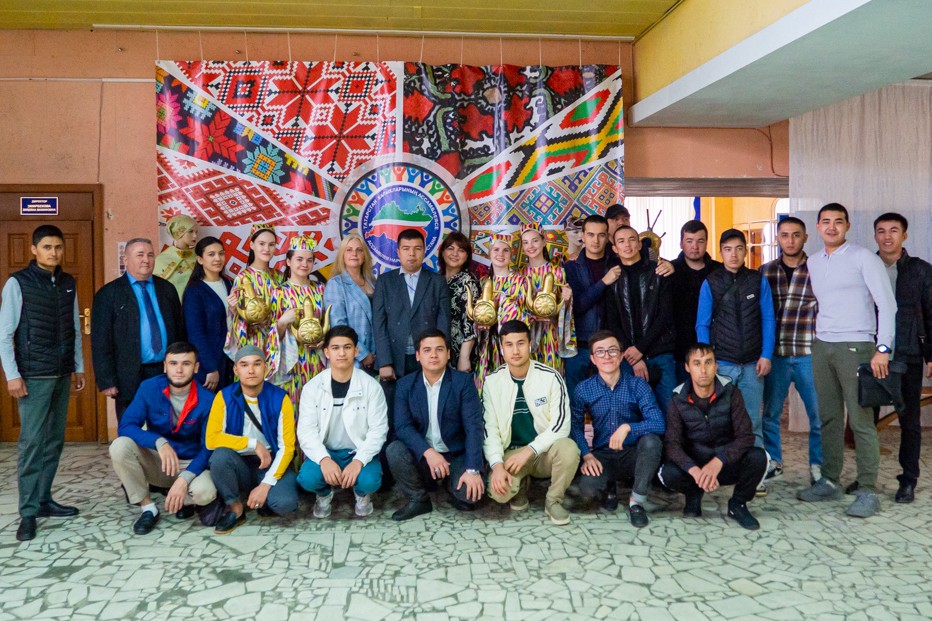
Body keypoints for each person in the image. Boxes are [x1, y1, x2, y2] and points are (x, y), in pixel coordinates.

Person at [797, 203, 897, 518]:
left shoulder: (863, 257)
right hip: (822, 345)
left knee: (860, 421)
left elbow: (887, 305)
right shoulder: (814, 262)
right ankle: (829, 480)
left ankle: (867, 490)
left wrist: (883, 348)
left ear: (847, 226)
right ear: (818, 227)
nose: (832, 227)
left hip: (857, 345)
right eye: (825, 221)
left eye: (838, 221)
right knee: (828, 417)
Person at [0, 225, 84, 542]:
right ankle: (28, 512)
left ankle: (44, 499)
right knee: (32, 444)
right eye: (47, 247)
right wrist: (12, 374)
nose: (53, 252)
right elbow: (5, 333)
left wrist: (78, 367)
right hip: (33, 376)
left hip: (61, 373)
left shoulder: (67, 282)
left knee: (54, 442)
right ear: (34, 249)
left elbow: (74, 327)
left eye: (58, 247)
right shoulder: (18, 282)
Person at [109, 342, 217, 535]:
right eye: (173, 363)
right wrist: (159, 442)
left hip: (190, 464)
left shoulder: (208, 399)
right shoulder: (149, 388)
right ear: (165, 366)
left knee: (205, 493)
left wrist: (184, 479)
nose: (179, 370)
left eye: (186, 363)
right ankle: (148, 508)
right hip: (159, 461)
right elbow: (126, 426)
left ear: (196, 367)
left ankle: (184, 499)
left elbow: (208, 447)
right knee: (119, 446)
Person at [659, 344, 769, 530]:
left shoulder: (731, 393)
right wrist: (695, 471)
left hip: (725, 464)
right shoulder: (678, 399)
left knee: (759, 457)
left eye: (708, 362)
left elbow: (745, 436)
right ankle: (693, 493)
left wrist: (718, 461)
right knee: (668, 472)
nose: (703, 370)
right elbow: (672, 444)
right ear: (687, 367)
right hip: (695, 466)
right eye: (697, 363)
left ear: (716, 366)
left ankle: (738, 504)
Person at [483, 320, 580, 525]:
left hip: (544, 452)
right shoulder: (492, 382)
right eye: (509, 344)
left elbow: (561, 425)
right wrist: (497, 465)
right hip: (511, 454)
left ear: (530, 344)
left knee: (569, 449)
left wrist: (529, 450)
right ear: (502, 348)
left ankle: (553, 500)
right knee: (498, 493)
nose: (515, 350)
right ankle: (521, 485)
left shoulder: (551, 377)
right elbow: (489, 429)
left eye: (520, 343)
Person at [387, 329, 485, 520]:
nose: (433, 355)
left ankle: (450, 483)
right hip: (424, 455)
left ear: (448, 354)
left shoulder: (463, 382)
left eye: (439, 349)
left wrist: (473, 470)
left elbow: (474, 427)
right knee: (394, 450)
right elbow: (403, 426)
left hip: (455, 453)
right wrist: (429, 452)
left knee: (470, 496)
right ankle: (419, 499)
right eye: (427, 350)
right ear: (417, 355)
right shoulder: (405, 385)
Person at [570, 331, 664, 528]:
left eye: (612, 351)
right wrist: (587, 455)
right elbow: (575, 426)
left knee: (652, 442)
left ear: (621, 356)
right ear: (593, 359)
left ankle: (636, 502)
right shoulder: (583, 389)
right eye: (600, 352)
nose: (607, 356)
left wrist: (628, 427)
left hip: (632, 453)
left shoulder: (637, 385)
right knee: (588, 490)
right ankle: (609, 487)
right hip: (602, 455)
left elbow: (658, 423)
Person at [296, 326, 388, 518]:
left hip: (357, 450)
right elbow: (306, 432)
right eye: (335, 348)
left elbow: (378, 431)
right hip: (327, 451)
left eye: (347, 347)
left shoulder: (371, 386)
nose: (342, 353)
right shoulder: (312, 387)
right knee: (307, 478)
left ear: (356, 351)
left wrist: (358, 461)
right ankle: (323, 494)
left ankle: (362, 494)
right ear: (326, 352)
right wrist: (324, 459)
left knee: (370, 481)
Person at [205, 345, 298, 534]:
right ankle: (236, 507)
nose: (251, 370)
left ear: (266, 367)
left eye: (257, 364)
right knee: (219, 456)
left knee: (285, 504)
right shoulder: (224, 397)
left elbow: (287, 448)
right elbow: (211, 439)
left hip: (269, 462)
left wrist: (265, 485)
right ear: (235, 370)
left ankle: (263, 497)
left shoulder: (280, 398)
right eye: (244, 365)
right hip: (237, 462)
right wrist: (252, 444)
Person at [696, 228, 775, 449]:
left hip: (753, 364)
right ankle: (723, 464)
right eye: (728, 249)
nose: (733, 254)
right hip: (722, 363)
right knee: (721, 419)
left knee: (751, 420)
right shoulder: (711, 282)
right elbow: (702, 324)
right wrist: (708, 361)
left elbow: (768, 319)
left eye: (739, 249)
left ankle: (755, 464)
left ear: (745, 251)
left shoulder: (758, 281)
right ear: (721, 252)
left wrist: (766, 355)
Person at [873, 212, 932, 503]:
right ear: (875, 236)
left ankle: (908, 480)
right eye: (881, 231)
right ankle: (866, 478)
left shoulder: (921, 270)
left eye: (893, 230)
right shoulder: (866, 265)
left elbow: (930, 312)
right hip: (871, 354)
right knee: (865, 420)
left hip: (908, 353)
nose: (887, 236)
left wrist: (930, 354)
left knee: (909, 421)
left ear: (904, 235)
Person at [92, 238, 184, 420]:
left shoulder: (167, 289)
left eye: (150, 255)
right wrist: (106, 380)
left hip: (165, 372)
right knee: (132, 428)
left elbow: (180, 331)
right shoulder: (109, 293)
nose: (146, 260)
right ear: (125, 260)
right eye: (140, 255)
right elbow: (101, 341)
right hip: (129, 375)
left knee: (167, 425)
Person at [760, 218, 822, 487]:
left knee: (818, 415)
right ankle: (773, 462)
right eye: (785, 235)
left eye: (796, 235)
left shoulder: (818, 268)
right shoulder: (765, 272)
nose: (790, 240)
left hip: (810, 352)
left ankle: (818, 465)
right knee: (770, 414)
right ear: (778, 238)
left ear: (805, 237)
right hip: (776, 354)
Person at [372, 228, 451, 405]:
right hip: (394, 358)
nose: (412, 254)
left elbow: (443, 322)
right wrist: (384, 362)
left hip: (427, 356)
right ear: (398, 252)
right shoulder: (385, 281)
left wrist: (440, 356)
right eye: (406, 248)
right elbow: (379, 324)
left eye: (417, 248)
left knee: (426, 407)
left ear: (424, 251)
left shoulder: (437, 282)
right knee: (393, 410)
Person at [605, 225, 677, 414]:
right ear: (615, 248)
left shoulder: (659, 272)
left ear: (639, 244)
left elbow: (665, 315)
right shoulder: (613, 277)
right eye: (621, 241)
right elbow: (613, 322)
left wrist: (640, 349)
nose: (627, 245)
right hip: (628, 356)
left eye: (632, 240)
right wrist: (633, 356)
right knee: (631, 413)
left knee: (670, 411)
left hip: (660, 352)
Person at [565, 215, 619, 401]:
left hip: (610, 344)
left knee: (611, 402)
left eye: (601, 235)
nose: (596, 240)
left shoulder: (617, 263)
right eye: (590, 235)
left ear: (607, 237)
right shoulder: (571, 267)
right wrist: (604, 282)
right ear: (583, 236)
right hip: (580, 345)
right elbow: (577, 306)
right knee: (575, 403)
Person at [272, 234, 327, 407]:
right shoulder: (279, 292)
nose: (305, 264)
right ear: (288, 261)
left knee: (318, 405)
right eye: (299, 259)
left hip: (317, 359)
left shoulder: (321, 289)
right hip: (292, 361)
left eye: (309, 260)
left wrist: (325, 340)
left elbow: (330, 322)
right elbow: (269, 335)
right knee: (293, 406)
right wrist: (282, 323)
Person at [473, 233, 529, 392]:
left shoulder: (520, 281)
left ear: (511, 254)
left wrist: (505, 311)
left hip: (512, 346)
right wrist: (480, 324)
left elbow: (527, 314)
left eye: (505, 250)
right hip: (488, 347)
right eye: (496, 250)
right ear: (489, 253)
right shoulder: (483, 282)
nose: (500, 254)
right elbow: (476, 314)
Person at [224, 224, 281, 374]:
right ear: (251, 245)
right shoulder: (243, 278)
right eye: (261, 244)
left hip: (277, 343)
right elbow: (238, 320)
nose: (266, 249)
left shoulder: (279, 276)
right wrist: (234, 310)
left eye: (271, 244)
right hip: (254, 343)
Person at [520, 222, 576, 375]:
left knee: (551, 375)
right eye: (526, 242)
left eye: (535, 241)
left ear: (544, 241)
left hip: (551, 334)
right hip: (527, 335)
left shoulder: (557, 271)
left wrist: (566, 300)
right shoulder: (519, 274)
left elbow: (565, 310)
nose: (531, 246)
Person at [670, 220, 722, 382]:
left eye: (700, 241)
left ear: (706, 243)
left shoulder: (719, 271)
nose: (695, 246)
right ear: (681, 243)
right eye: (689, 241)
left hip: (715, 347)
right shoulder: (670, 270)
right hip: (679, 350)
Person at [183, 236, 234, 391]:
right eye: (211, 254)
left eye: (221, 253)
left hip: (232, 360)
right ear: (200, 259)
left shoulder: (230, 284)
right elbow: (195, 334)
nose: (217, 258)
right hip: (211, 364)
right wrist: (211, 367)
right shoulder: (194, 291)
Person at [325, 233, 376, 371]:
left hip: (377, 357)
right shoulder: (336, 284)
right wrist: (363, 354)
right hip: (353, 358)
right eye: (349, 250)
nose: (354, 254)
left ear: (364, 255)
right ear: (342, 255)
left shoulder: (373, 282)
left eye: (359, 250)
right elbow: (338, 325)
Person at [439, 232, 480, 372]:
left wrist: (464, 357)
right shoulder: (436, 279)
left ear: (467, 256)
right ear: (442, 252)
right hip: (438, 349)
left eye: (461, 250)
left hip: (460, 352)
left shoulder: (468, 282)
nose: (455, 254)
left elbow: (471, 322)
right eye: (450, 248)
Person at [154, 214, 199, 298]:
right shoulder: (161, 260)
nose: (195, 236)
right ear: (178, 233)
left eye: (196, 232)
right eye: (190, 231)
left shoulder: (199, 259)